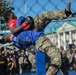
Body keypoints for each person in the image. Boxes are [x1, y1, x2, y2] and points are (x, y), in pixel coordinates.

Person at [3, 1, 74, 34]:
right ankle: (65, 13)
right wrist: (25, 23)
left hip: (33, 28)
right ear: (9, 16)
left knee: (50, 17)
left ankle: (66, 14)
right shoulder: (11, 23)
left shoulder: (13, 22)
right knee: (45, 14)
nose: (15, 15)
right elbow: (14, 31)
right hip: (33, 27)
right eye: (13, 14)